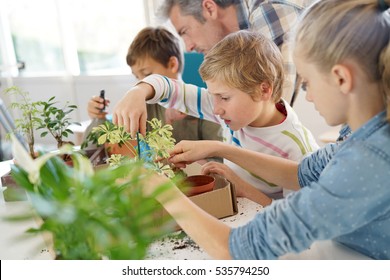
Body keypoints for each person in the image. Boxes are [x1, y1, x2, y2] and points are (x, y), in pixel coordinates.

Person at [141, 0, 390, 259]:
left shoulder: (370, 160)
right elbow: (303, 174)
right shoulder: (360, 136)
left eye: (307, 83)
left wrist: (164, 191)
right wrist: (217, 147)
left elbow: (235, 249)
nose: (309, 95)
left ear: (341, 78)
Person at [112, 30, 319, 206]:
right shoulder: (229, 110)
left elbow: (296, 219)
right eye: (213, 96)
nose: (216, 109)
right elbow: (168, 88)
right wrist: (137, 92)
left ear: (263, 90)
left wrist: (242, 187)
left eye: (224, 97)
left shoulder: (296, 148)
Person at [157, 0, 315, 105]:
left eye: (185, 31)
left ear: (209, 8)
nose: (188, 46)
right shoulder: (247, 36)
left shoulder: (267, 12)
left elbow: (271, 111)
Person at [83, 26, 222, 145]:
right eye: (137, 76)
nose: (141, 83)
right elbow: (99, 150)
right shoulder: (142, 107)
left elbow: (221, 159)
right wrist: (98, 119)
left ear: (172, 64)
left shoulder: (201, 106)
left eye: (147, 74)